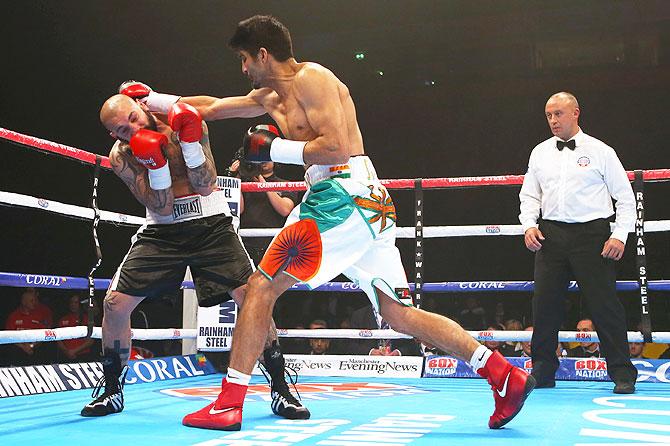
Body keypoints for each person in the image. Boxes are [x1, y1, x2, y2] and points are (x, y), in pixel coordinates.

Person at [134, 15, 534, 431]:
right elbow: (212, 108)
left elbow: (336, 147)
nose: (243, 69)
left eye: (245, 59)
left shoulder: (313, 78)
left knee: (259, 288)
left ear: (264, 54)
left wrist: (276, 149)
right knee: (398, 314)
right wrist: (152, 99)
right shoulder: (272, 96)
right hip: (364, 205)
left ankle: (228, 403)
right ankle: (503, 374)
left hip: (341, 197)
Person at [80, 93, 308, 421]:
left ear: (141, 107)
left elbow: (205, 184)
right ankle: (112, 390)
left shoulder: (184, 121)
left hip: (210, 222)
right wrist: (155, 165)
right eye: (123, 130)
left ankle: (280, 387)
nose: (133, 128)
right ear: (114, 135)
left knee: (251, 297)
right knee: (115, 303)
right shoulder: (122, 156)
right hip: (163, 230)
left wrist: (187, 144)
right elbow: (160, 205)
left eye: (133, 117)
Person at [519, 91, 638, 394]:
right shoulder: (539, 152)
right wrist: (529, 225)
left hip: (592, 236)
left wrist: (619, 234)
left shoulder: (601, 151)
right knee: (544, 305)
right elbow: (530, 194)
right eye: (548, 115)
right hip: (551, 235)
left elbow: (625, 197)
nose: (553, 120)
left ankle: (623, 374)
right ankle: (543, 372)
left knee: (604, 305)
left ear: (575, 113)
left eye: (558, 113)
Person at [5, 288, 50, 366]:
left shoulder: (39, 316)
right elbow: (8, 336)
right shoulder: (13, 316)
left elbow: (43, 334)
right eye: (31, 301)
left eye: (34, 301)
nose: (34, 303)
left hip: (35, 352)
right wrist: (23, 347)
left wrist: (31, 346)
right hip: (17, 353)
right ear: (24, 302)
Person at [56, 294, 96, 363]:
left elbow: (91, 341)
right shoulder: (63, 319)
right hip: (66, 356)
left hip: (83, 357)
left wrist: (74, 351)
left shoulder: (88, 319)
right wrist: (66, 351)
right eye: (71, 302)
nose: (73, 305)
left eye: (75, 302)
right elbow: (58, 339)